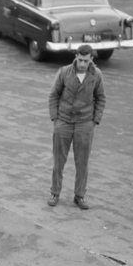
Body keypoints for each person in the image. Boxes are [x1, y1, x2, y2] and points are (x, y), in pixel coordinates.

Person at [47, 44, 106, 210]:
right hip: (63, 122)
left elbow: (101, 99)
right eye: (79, 60)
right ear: (76, 56)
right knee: (59, 161)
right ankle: (55, 192)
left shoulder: (96, 75)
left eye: (85, 61)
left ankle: (79, 196)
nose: (81, 64)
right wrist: (55, 120)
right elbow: (53, 95)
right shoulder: (64, 72)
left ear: (91, 59)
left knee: (82, 163)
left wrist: (94, 121)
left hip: (85, 125)